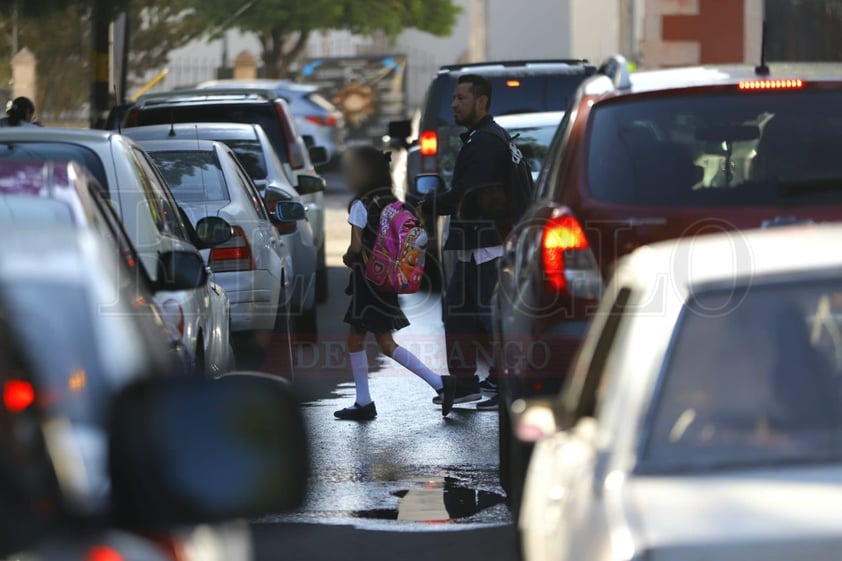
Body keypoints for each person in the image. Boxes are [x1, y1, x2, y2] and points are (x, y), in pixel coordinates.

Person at [335, 145, 455, 421]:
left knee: (369, 340)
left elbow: (355, 247)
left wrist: (346, 257)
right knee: (379, 340)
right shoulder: (393, 202)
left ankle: (435, 384)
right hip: (387, 280)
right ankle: (434, 385)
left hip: (367, 281)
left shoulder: (360, 204)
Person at [422, 74, 511, 411]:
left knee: (491, 318)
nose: (453, 105)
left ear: (482, 102)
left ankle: (506, 386)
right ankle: (464, 385)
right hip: (474, 245)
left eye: (460, 98)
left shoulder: (487, 141)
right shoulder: (481, 138)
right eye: (453, 99)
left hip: (488, 245)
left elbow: (467, 194)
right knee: (458, 314)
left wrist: (429, 204)